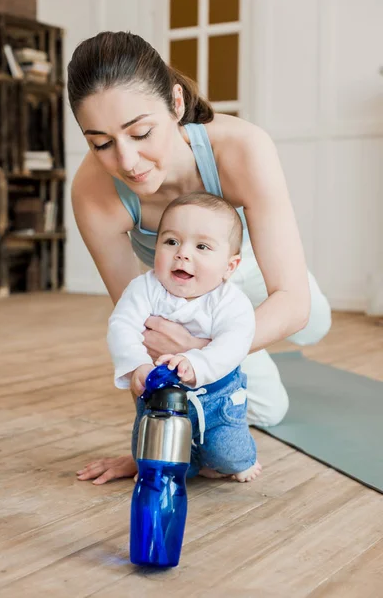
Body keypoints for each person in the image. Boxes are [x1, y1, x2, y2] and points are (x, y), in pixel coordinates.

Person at [68, 30, 331, 485]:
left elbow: (290, 301)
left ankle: (256, 339)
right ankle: (249, 355)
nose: (127, 161)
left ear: (174, 104)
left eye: (140, 132)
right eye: (102, 143)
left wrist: (207, 353)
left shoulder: (242, 146)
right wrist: (155, 443)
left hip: (242, 268)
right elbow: (142, 324)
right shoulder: (93, 194)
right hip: (177, 294)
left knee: (311, 322)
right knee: (270, 407)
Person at [108, 192, 262, 482]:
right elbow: (122, 325)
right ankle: (191, 464)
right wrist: (136, 365)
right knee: (158, 463)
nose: (183, 253)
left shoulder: (230, 302)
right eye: (171, 242)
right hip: (160, 399)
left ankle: (241, 459)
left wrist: (197, 364)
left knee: (227, 453)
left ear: (229, 266)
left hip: (218, 397)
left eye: (202, 246)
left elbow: (234, 343)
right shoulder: (145, 288)